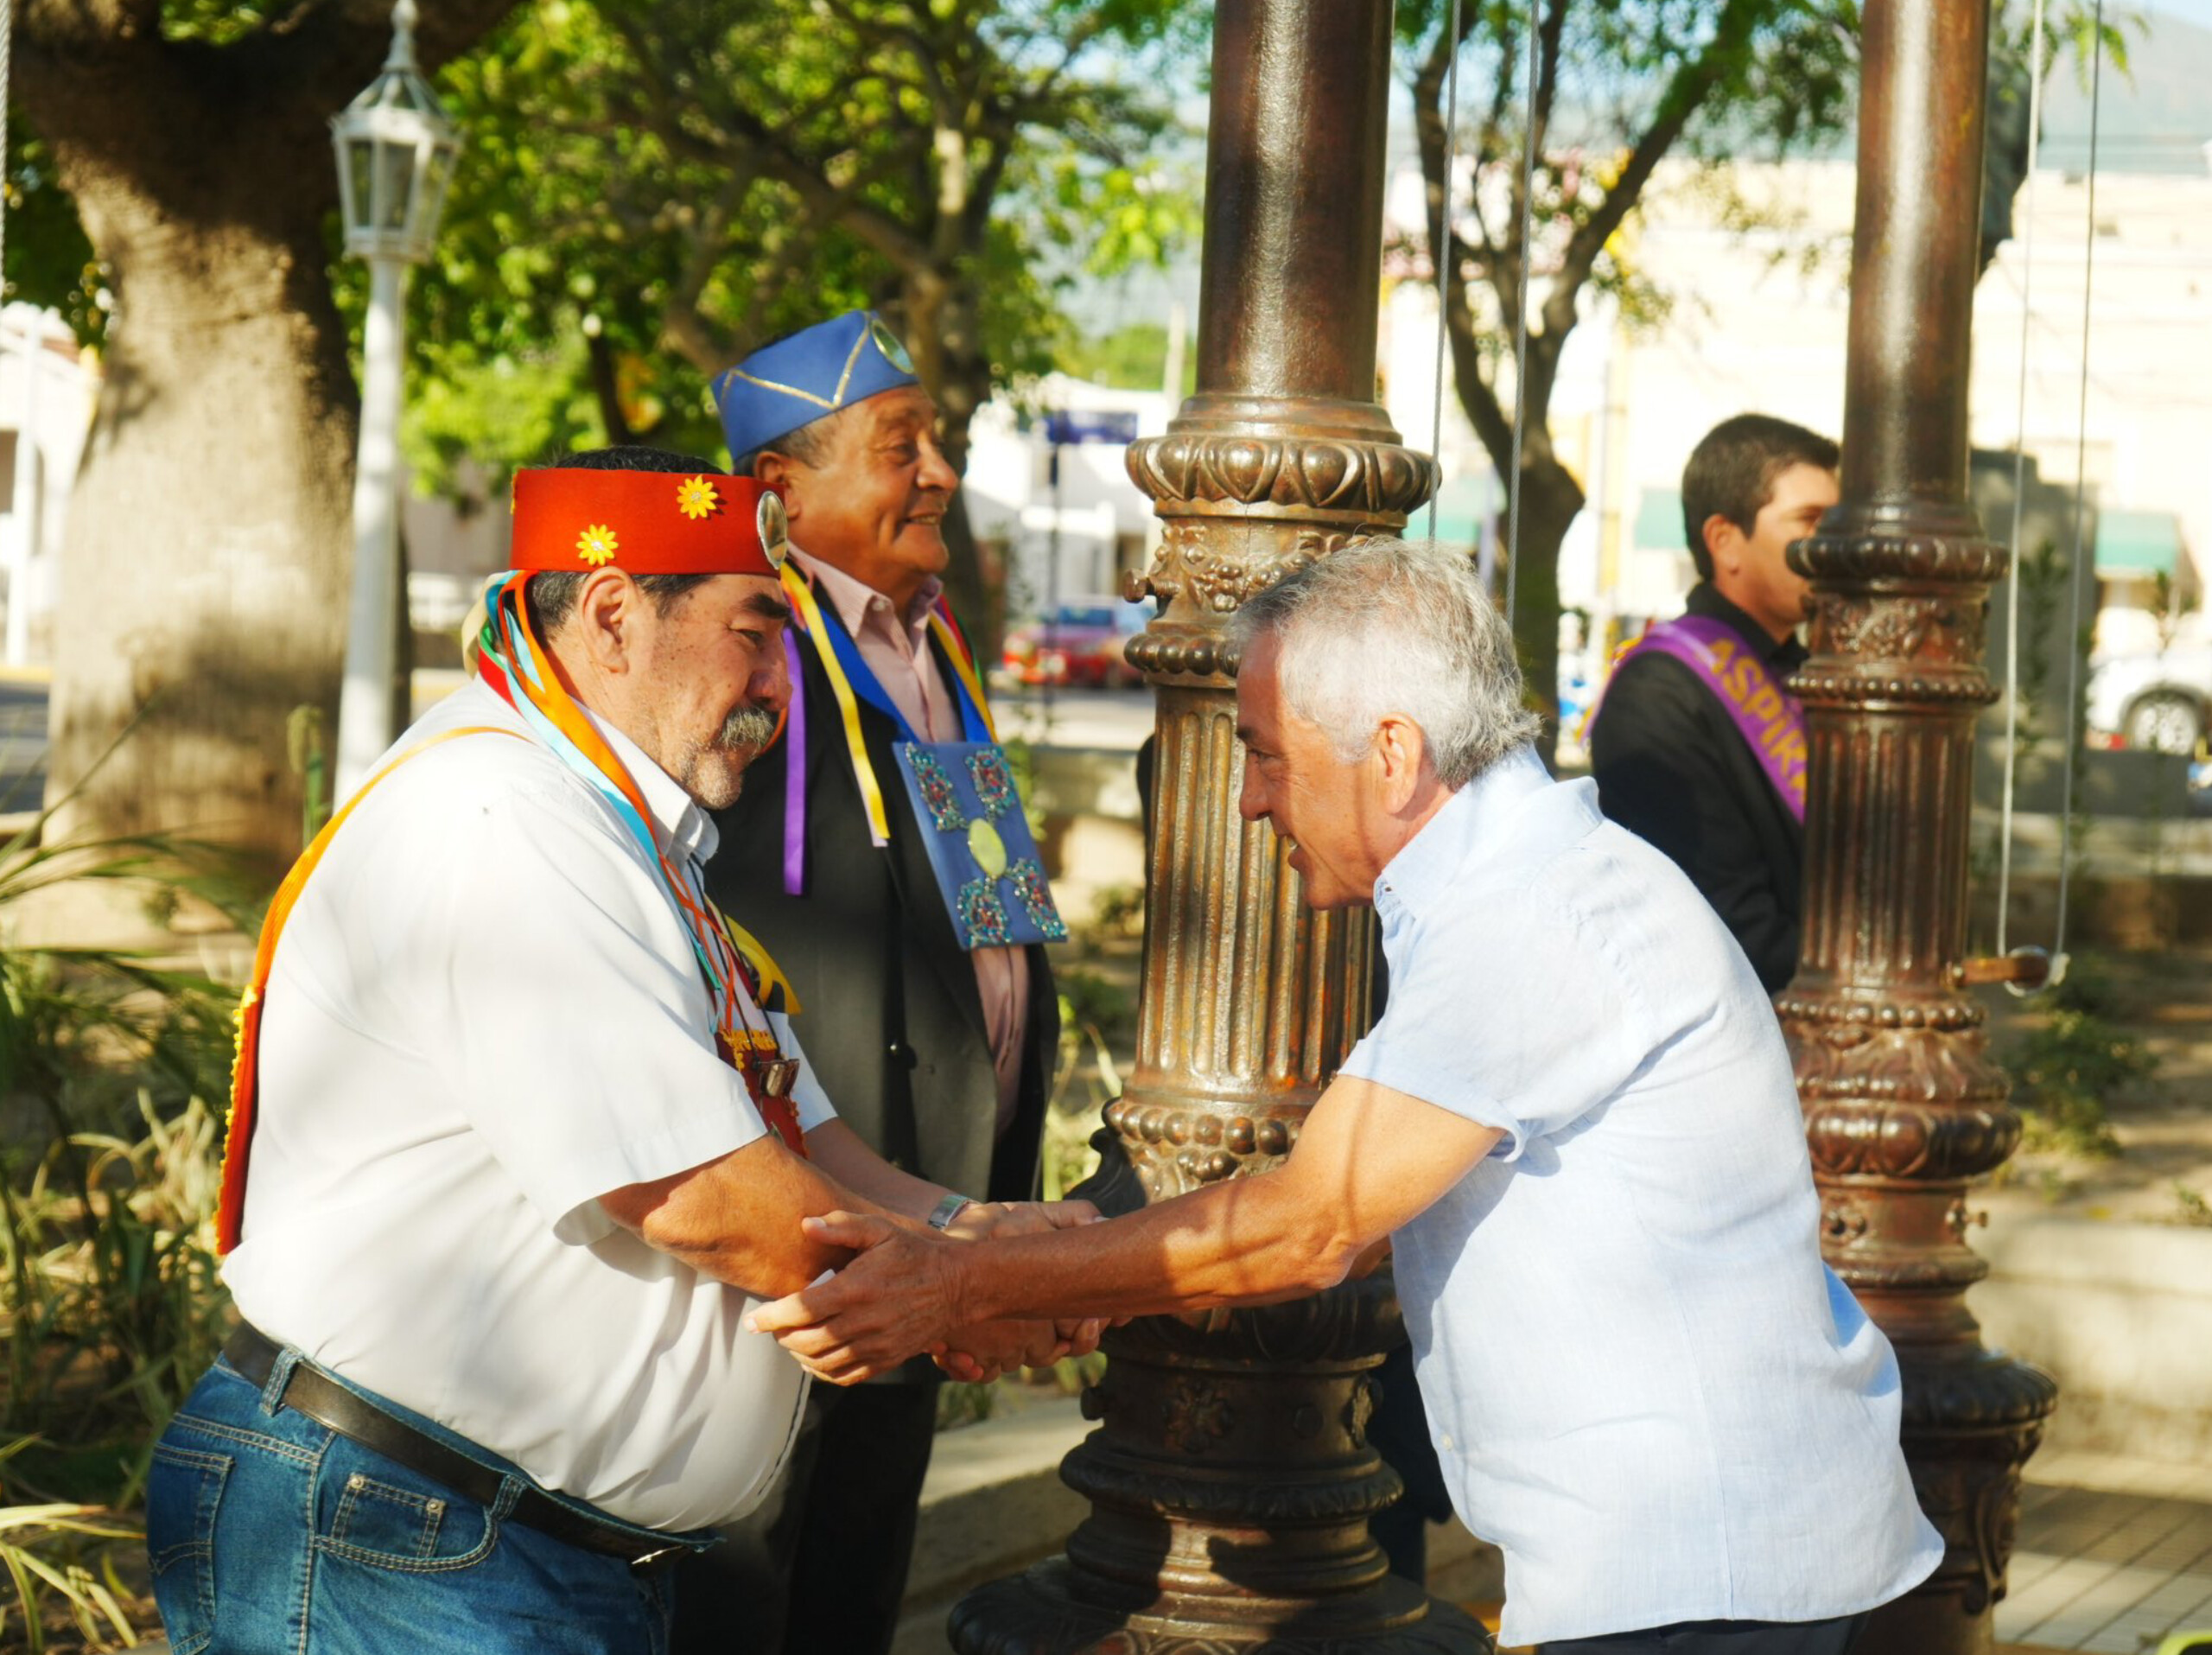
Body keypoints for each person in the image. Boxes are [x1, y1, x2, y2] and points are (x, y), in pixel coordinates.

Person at [759, 538, 1944, 1655]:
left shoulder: (1533, 915)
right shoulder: (1523, 886)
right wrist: (1067, 1265)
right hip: (1703, 1549)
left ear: (1391, 752)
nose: (1249, 801)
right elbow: (1361, 1198)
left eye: (1267, 754)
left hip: (1707, 1563)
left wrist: (965, 1282)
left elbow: (1313, 1224)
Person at [148, 447, 1090, 1654]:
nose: (782, 687)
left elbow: (808, 1137)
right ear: (610, 616)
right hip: (402, 1540)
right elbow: (705, 1197)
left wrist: (974, 1234)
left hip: (492, 1547)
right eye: (756, 634)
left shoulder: (621, 828)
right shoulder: (502, 815)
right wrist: (990, 1289)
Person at [680, 313, 1063, 1655]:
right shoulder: (748, 646)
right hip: (806, 1219)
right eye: (903, 446)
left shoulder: (932, 643)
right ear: (780, 488)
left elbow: (988, 896)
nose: (942, 472)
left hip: (938, 1188)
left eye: (938, 441)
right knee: (754, 1573)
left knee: (860, 1567)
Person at [1586, 414, 1841, 992]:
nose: (1833, 545)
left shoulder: (1812, 672)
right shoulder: (1657, 695)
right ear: (1725, 540)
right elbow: (1722, 925)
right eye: (1810, 521)